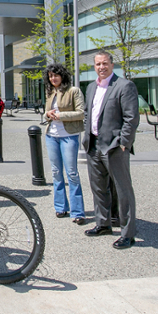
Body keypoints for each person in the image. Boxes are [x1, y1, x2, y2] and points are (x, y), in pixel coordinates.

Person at [82, 51, 139, 249]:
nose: (101, 67)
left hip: (115, 147)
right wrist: (86, 136)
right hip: (93, 145)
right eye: (98, 64)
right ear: (94, 66)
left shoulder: (124, 86)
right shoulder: (90, 87)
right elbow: (88, 114)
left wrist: (124, 142)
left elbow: (131, 118)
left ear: (112, 65)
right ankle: (103, 223)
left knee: (123, 191)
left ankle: (127, 233)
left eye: (105, 63)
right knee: (98, 188)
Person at [41, 63, 86, 225]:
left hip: (69, 136)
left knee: (72, 173)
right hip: (51, 136)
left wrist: (60, 115)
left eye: (56, 75)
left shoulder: (74, 91)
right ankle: (60, 207)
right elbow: (46, 115)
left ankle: (78, 211)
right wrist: (47, 114)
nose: (53, 78)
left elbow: (81, 113)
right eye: (51, 76)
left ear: (63, 76)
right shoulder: (50, 92)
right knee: (56, 172)